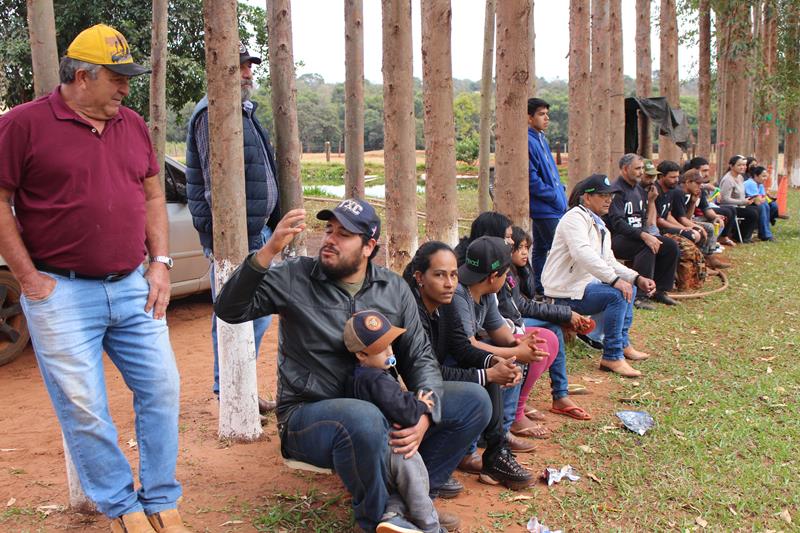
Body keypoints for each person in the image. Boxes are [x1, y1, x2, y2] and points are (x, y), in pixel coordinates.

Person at [0, 24, 188, 533]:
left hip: (132, 285)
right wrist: (29, 280)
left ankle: (162, 500)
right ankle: (121, 509)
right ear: (82, 77)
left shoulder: (130, 124)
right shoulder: (23, 125)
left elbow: (152, 194)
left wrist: (160, 263)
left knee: (162, 388)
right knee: (84, 407)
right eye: (117, 77)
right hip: (60, 292)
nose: (126, 88)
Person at [214, 199, 490, 532]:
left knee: (474, 401)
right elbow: (229, 309)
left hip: (377, 405)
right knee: (364, 418)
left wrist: (426, 414)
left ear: (368, 246)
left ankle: (406, 505)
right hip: (308, 414)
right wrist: (266, 253)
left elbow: (420, 358)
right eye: (329, 230)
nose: (330, 239)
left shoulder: (393, 289)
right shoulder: (295, 277)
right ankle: (373, 520)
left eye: (344, 234)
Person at [185, 41, 280, 409]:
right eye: (239, 67)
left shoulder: (241, 111)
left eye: (249, 66)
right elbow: (214, 183)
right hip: (239, 236)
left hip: (256, 230)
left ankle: (239, 386)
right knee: (236, 313)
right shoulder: (214, 114)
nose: (247, 73)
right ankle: (231, 392)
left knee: (257, 315)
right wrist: (229, 239)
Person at [403, 242, 535, 489]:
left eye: (453, 275)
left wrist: (495, 362)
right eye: (439, 275)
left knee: (489, 373)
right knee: (476, 393)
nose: (449, 283)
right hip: (405, 391)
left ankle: (496, 454)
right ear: (420, 277)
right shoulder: (411, 311)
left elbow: (463, 347)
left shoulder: (445, 304)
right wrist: (487, 373)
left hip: (427, 385)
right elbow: (426, 372)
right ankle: (427, 477)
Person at [543, 175, 655, 378]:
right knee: (617, 294)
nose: (608, 200)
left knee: (630, 287)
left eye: (610, 195)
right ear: (586, 198)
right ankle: (612, 356)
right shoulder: (574, 218)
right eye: (602, 195)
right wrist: (614, 281)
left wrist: (636, 277)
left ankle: (622, 344)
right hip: (564, 292)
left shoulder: (599, 224)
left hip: (582, 287)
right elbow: (582, 253)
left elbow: (609, 261)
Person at [448, 236, 559, 441]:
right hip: (452, 363)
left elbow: (501, 332)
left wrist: (520, 344)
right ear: (493, 276)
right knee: (508, 361)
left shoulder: (487, 293)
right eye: (506, 274)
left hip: (470, 356)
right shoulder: (459, 294)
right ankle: (495, 432)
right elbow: (467, 346)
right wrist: (515, 352)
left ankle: (502, 426)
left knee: (513, 358)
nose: (507, 279)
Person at [343, 310, 443, 533]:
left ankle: (393, 516)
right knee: (417, 482)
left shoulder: (356, 377)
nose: (389, 351)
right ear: (361, 354)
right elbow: (405, 413)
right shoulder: (378, 379)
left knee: (401, 487)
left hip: (373, 448)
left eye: (390, 344)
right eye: (382, 348)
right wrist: (422, 405)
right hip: (396, 447)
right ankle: (431, 527)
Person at [498, 227, 593, 421]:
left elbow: (526, 303)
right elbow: (522, 308)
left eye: (527, 247)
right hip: (506, 326)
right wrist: (565, 314)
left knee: (555, 328)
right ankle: (523, 404)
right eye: (519, 246)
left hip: (514, 321)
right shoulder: (501, 272)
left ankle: (559, 394)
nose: (524, 252)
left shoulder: (517, 270)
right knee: (551, 330)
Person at [605, 154, 680, 308]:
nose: (641, 172)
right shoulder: (616, 191)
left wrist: (648, 234)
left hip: (637, 236)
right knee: (646, 245)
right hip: (616, 239)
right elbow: (617, 223)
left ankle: (660, 291)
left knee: (670, 246)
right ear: (625, 169)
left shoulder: (639, 190)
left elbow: (643, 218)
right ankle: (639, 295)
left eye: (642, 168)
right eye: (638, 168)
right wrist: (644, 236)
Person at [527, 97, 568, 297]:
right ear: (528, 117)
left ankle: (540, 288)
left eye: (546, 114)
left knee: (541, 247)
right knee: (560, 248)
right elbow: (531, 178)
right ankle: (557, 288)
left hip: (552, 205)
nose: (547, 118)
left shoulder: (541, 138)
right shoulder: (527, 140)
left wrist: (561, 190)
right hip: (545, 207)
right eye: (541, 114)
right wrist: (552, 195)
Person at [671, 169, 731, 268]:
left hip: (686, 220)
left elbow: (692, 215)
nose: (700, 186)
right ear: (688, 182)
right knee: (708, 228)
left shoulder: (696, 192)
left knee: (715, 222)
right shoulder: (679, 192)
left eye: (701, 184)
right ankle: (702, 261)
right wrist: (696, 227)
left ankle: (708, 257)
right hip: (675, 223)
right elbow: (682, 219)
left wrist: (693, 202)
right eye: (697, 183)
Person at [683, 157, 737, 248]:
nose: (707, 174)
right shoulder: (680, 192)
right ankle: (708, 254)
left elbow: (705, 207)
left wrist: (716, 217)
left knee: (718, 220)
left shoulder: (698, 189)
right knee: (710, 226)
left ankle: (711, 249)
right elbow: (682, 218)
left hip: (691, 218)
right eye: (704, 171)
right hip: (684, 220)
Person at [719, 155, 759, 243]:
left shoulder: (740, 177)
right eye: (739, 165)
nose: (743, 167)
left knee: (756, 209)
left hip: (740, 205)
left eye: (744, 165)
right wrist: (742, 202)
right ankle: (741, 237)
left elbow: (740, 194)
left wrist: (748, 200)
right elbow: (724, 199)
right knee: (752, 213)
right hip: (729, 207)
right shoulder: (728, 180)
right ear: (731, 166)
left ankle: (743, 235)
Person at [744, 165, 777, 242]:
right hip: (745, 204)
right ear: (756, 176)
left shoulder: (760, 184)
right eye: (763, 176)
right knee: (763, 206)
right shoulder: (750, 183)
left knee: (772, 205)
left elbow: (762, 197)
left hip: (755, 202)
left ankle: (764, 231)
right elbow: (758, 201)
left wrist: (762, 198)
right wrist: (761, 198)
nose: (765, 178)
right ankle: (765, 234)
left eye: (766, 176)